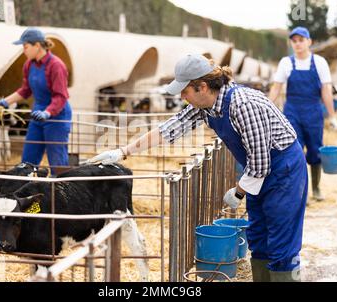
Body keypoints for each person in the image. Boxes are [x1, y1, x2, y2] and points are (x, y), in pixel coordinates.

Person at [88, 54, 308, 282]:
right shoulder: (208, 106)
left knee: (282, 243)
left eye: (185, 91)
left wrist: (239, 191)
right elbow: (169, 129)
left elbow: (261, 161)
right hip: (258, 170)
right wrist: (123, 151)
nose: (182, 97)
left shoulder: (243, 105)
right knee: (259, 238)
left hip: (283, 171)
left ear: (202, 87)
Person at [269, 27, 337, 201]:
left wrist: (332, 116)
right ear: (291, 43)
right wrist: (266, 110)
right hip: (292, 112)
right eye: (294, 41)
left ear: (309, 42)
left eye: (301, 40)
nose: (298, 44)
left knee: (315, 151)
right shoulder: (286, 62)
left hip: (314, 112)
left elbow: (326, 90)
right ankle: (301, 192)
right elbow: (276, 87)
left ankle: (316, 189)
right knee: (295, 152)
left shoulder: (319, 62)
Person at [0, 28, 72, 175]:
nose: (23, 51)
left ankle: (60, 192)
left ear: (37, 46)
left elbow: (61, 96)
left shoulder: (56, 65)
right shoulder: (29, 65)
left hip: (57, 116)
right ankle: (25, 191)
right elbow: (25, 90)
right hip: (38, 114)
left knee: (57, 162)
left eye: (25, 47)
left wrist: (48, 113)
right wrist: (5, 102)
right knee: (28, 160)